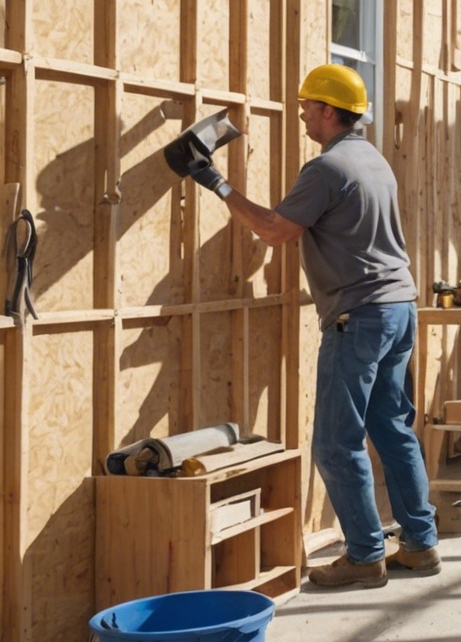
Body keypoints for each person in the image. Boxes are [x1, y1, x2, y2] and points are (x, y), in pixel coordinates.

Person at [185, 64, 439, 589]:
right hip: (398, 309)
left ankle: (366, 556)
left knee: (333, 443)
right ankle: (419, 545)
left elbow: (276, 230)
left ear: (328, 111)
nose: (301, 113)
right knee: (392, 429)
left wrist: (215, 181)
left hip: (360, 316)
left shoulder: (326, 168)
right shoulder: (373, 160)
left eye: (307, 106)